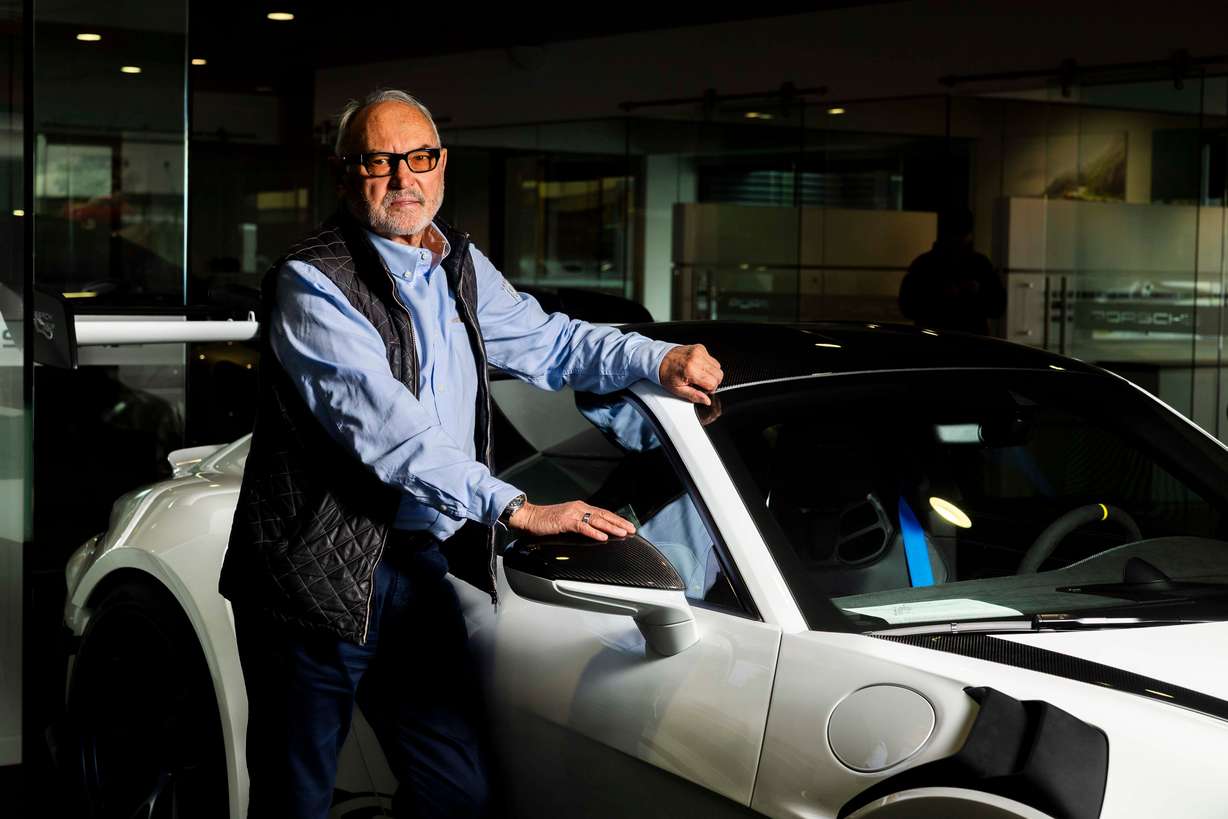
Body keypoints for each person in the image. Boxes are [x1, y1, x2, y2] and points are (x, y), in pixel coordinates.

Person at [217, 89, 724, 819]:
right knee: (295, 798)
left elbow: (552, 342)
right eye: (379, 162)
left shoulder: (457, 264)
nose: (403, 180)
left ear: (442, 165)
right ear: (344, 173)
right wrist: (516, 506)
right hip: (314, 576)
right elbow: (392, 433)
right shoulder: (312, 280)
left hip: (414, 565)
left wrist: (659, 355)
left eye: (420, 159)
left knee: (457, 793)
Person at [898, 209, 1006, 335]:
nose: (957, 240)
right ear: (970, 235)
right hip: (971, 341)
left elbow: (998, 307)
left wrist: (978, 292)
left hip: (933, 339)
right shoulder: (980, 264)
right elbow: (907, 307)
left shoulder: (923, 264)